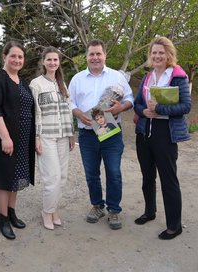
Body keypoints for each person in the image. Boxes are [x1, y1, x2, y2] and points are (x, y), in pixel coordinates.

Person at [69, 39, 133, 230]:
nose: (95, 57)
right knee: (91, 174)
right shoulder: (77, 79)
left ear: (104, 55)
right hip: (88, 134)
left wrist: (121, 107)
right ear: (86, 57)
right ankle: (97, 206)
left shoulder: (117, 77)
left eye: (98, 53)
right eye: (91, 54)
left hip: (111, 132)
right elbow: (68, 101)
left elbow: (130, 98)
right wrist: (77, 112)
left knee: (113, 172)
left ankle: (114, 210)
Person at [134, 36, 191, 239]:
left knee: (169, 180)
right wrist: (143, 112)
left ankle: (174, 226)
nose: (157, 56)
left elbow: (186, 106)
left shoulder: (178, 76)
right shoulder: (148, 76)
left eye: (161, 52)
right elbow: (137, 103)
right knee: (147, 177)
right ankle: (150, 212)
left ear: (169, 54)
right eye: (154, 53)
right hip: (144, 133)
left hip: (165, 134)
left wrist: (159, 108)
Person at [0, 41, 35, 240]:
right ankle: (2, 219)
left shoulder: (23, 81)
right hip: (6, 139)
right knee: (4, 179)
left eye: (20, 57)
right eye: (13, 56)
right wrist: (5, 137)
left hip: (23, 140)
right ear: (4, 56)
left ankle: (11, 213)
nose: (17, 60)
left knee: (16, 177)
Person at [29, 46, 75, 230]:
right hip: (46, 137)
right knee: (52, 177)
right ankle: (47, 212)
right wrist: (36, 138)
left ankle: (53, 209)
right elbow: (36, 113)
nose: (52, 63)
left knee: (62, 177)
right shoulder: (36, 84)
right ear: (43, 62)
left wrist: (71, 134)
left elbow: (68, 111)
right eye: (49, 59)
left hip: (63, 136)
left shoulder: (62, 84)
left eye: (55, 60)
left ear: (59, 62)